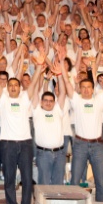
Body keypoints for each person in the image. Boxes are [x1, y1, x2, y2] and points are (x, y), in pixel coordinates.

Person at [60, 48, 103, 203]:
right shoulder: (76, 100)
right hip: (80, 145)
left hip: (97, 146)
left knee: (101, 184)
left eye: (89, 87)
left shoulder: (99, 100)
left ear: (93, 89)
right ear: (80, 89)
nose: (86, 89)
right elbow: (67, 82)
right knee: (75, 182)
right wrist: (61, 62)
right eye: (84, 87)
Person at [0, 50, 40, 204]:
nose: (13, 87)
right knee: (9, 178)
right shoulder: (3, 99)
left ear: (20, 87)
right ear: (7, 88)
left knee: (27, 179)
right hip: (7, 143)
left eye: (16, 85)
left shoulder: (25, 98)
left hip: (25, 143)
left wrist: (39, 67)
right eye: (10, 85)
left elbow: (35, 81)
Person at [31, 50, 67, 186]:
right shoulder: (37, 111)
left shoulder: (58, 109)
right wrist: (39, 70)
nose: (48, 102)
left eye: (50, 100)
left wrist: (59, 75)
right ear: (41, 102)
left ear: (54, 101)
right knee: (44, 185)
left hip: (60, 154)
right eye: (45, 100)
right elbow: (34, 90)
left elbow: (62, 92)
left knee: (58, 185)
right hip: (43, 154)